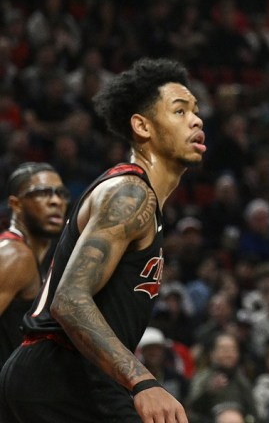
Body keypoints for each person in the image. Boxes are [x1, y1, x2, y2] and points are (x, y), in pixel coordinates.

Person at [0, 57, 204, 423]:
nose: (196, 119)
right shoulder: (130, 194)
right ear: (142, 126)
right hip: (61, 374)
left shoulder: (142, 201)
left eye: (195, 111)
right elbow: (69, 298)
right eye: (179, 111)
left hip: (68, 375)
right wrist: (142, 380)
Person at [0, 162, 67, 364]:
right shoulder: (15, 255)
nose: (56, 201)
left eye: (60, 193)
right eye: (42, 193)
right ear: (16, 204)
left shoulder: (32, 256)